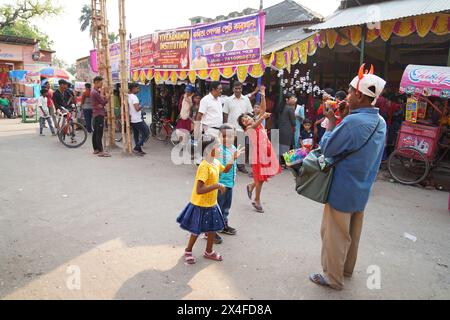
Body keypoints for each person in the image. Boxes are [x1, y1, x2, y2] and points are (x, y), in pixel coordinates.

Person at [309, 65, 387, 291]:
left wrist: (332, 121)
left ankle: (333, 278)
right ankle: (346, 269)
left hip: (342, 188)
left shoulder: (354, 122)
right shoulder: (379, 121)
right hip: (362, 189)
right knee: (352, 233)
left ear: (361, 95)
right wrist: (344, 118)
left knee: (333, 235)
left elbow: (328, 148)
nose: (348, 95)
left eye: (351, 92)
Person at [176, 137, 243, 264]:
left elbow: (226, 169)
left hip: (212, 203)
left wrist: (233, 157)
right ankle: (188, 251)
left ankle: (209, 251)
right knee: (196, 230)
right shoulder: (204, 166)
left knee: (212, 229)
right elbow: (199, 190)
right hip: (200, 204)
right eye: (217, 147)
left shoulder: (216, 162)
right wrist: (217, 186)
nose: (220, 149)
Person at [238, 86, 281, 213]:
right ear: (244, 125)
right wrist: (262, 118)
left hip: (267, 150)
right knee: (260, 177)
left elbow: (263, 109)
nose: (246, 120)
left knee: (264, 175)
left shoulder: (256, 120)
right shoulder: (249, 129)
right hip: (258, 154)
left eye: (246, 117)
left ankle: (251, 187)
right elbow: (256, 124)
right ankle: (257, 200)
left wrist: (262, 94)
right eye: (243, 121)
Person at [216, 124, 241, 243]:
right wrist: (234, 158)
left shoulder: (234, 148)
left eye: (230, 136)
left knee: (226, 207)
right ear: (219, 137)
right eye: (224, 136)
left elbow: (233, 167)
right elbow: (223, 168)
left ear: (234, 136)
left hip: (230, 184)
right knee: (217, 208)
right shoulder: (219, 150)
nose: (227, 139)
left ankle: (223, 225)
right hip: (220, 184)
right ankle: (211, 231)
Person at [223, 82, 253, 174]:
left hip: (242, 128)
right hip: (231, 128)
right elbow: (225, 114)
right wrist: (225, 126)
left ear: (241, 89)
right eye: (236, 88)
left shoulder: (246, 100)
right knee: (229, 147)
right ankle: (228, 165)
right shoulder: (228, 100)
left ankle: (241, 166)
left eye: (239, 88)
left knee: (241, 147)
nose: (238, 90)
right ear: (233, 89)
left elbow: (250, 113)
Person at [91, 76, 110, 158]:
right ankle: (101, 151)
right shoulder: (95, 92)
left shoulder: (94, 91)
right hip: (99, 114)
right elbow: (103, 102)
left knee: (96, 132)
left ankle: (96, 149)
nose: (102, 84)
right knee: (99, 133)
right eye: (101, 83)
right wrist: (108, 98)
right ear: (96, 82)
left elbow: (100, 101)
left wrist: (101, 102)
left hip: (96, 114)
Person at [128, 83, 150, 156]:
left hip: (133, 118)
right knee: (146, 133)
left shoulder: (129, 96)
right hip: (137, 119)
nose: (138, 90)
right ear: (133, 88)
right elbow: (137, 109)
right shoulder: (134, 97)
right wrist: (142, 105)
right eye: (137, 88)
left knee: (136, 135)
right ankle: (137, 148)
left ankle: (139, 150)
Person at [278, 93, 297, 164]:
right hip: (288, 129)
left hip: (282, 129)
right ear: (287, 100)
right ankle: (286, 162)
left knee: (282, 146)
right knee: (286, 146)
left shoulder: (283, 107)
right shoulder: (290, 108)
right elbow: (293, 121)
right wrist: (294, 127)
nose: (294, 99)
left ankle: (281, 162)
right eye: (292, 98)